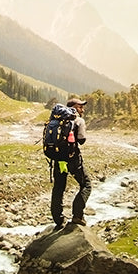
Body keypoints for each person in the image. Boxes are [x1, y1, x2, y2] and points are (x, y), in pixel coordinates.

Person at [50, 97, 92, 230]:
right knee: (86, 185)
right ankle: (77, 215)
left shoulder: (56, 120)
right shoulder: (78, 120)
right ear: (73, 106)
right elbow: (81, 140)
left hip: (58, 159)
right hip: (72, 159)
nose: (82, 109)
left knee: (59, 188)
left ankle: (58, 219)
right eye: (80, 106)